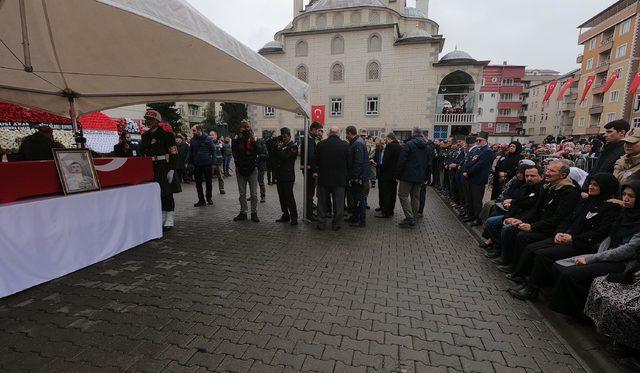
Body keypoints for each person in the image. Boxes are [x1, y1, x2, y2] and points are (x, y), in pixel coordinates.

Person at [508, 173, 621, 300]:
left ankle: (532, 289)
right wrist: (559, 233)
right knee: (533, 248)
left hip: (583, 245)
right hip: (568, 238)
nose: (590, 187)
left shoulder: (611, 208)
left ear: (605, 187)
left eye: (595, 185)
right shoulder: (587, 201)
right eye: (590, 183)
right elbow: (569, 219)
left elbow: (600, 233)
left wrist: (573, 239)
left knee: (543, 255)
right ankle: (526, 280)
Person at [550, 183, 640, 319]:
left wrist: (592, 258)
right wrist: (594, 256)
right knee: (560, 264)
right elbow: (609, 238)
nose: (625, 199)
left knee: (572, 273)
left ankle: (580, 314)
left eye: (631, 196)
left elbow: (627, 251)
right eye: (624, 194)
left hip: (623, 263)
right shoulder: (625, 215)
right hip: (606, 255)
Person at [495, 161, 581, 272]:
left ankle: (519, 270)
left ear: (563, 175)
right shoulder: (549, 188)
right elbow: (537, 210)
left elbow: (557, 219)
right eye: (547, 170)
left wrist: (532, 226)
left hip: (552, 230)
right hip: (541, 225)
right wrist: (521, 220)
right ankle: (510, 262)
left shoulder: (570, 192)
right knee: (512, 228)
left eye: (551, 171)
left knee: (522, 236)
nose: (547, 173)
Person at [483, 165, 545, 260]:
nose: (529, 178)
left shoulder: (542, 190)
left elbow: (534, 210)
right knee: (491, 222)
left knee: (507, 229)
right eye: (527, 175)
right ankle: (498, 247)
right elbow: (515, 203)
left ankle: (506, 257)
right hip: (515, 216)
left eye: (532, 176)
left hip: (526, 220)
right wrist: (507, 217)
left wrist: (519, 220)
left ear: (541, 176)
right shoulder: (525, 187)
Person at [139, 110, 181, 231]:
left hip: (164, 166)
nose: (148, 121)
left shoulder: (167, 135)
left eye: (151, 120)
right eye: (147, 119)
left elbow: (173, 153)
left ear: (157, 121)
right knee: (156, 192)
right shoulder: (145, 135)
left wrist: (172, 169)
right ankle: (162, 213)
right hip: (151, 166)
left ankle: (170, 215)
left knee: (167, 192)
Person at [314, 126, 350, 231]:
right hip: (339, 179)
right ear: (338, 133)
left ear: (329, 133)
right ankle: (337, 224)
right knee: (339, 204)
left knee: (322, 203)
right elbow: (349, 163)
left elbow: (316, 161)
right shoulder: (345, 145)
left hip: (324, 179)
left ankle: (321, 223)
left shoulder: (321, 144)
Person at [396, 127, 431, 228]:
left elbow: (402, 160)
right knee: (415, 197)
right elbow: (429, 163)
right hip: (420, 176)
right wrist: (427, 177)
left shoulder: (409, 144)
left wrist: (398, 175)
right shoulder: (427, 146)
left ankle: (409, 218)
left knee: (402, 195)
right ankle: (414, 216)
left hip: (407, 176)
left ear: (413, 133)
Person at [231, 120, 262, 223]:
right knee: (242, 193)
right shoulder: (237, 138)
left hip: (252, 169)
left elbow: (259, 151)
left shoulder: (254, 138)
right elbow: (233, 150)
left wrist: (253, 141)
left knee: (253, 194)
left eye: (247, 126)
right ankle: (243, 212)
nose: (246, 128)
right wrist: (238, 138)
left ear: (250, 127)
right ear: (241, 127)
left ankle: (254, 213)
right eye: (244, 127)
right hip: (240, 169)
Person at [462, 132, 494, 226]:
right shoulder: (478, 150)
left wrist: (468, 172)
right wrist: (467, 169)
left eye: (480, 140)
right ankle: (471, 215)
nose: (478, 142)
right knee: (470, 198)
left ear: (486, 141)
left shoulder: (487, 151)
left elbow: (479, 165)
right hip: (472, 178)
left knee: (477, 201)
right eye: (477, 140)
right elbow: (471, 162)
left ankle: (478, 219)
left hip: (478, 179)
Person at [273, 127, 299, 225]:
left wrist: (279, 148)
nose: (283, 139)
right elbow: (275, 156)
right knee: (282, 197)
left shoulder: (293, 146)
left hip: (288, 176)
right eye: (282, 137)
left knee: (289, 197)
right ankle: (285, 215)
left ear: (289, 136)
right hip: (280, 175)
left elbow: (284, 157)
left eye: (285, 137)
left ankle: (294, 217)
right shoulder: (282, 145)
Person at [346, 125, 369, 228]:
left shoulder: (358, 143)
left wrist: (355, 177)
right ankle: (355, 217)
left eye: (347, 134)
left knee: (360, 199)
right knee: (356, 199)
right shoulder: (357, 141)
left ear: (350, 133)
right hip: (358, 176)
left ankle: (361, 221)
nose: (346, 136)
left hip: (359, 178)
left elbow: (358, 163)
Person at [376, 133, 401, 218]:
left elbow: (386, 161)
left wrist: (379, 166)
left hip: (387, 174)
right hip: (395, 175)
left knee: (386, 193)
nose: (385, 141)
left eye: (386, 139)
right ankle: (391, 211)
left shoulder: (390, 147)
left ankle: (385, 212)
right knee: (393, 193)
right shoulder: (399, 147)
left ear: (389, 138)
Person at [301, 122, 322, 221]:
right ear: (313, 129)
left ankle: (308, 213)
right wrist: (314, 170)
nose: (319, 132)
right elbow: (311, 156)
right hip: (310, 170)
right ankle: (309, 214)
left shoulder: (310, 138)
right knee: (309, 193)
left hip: (309, 169)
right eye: (318, 130)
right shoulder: (309, 139)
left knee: (309, 192)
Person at [189, 125, 215, 207]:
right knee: (198, 183)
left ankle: (209, 198)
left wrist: (214, 162)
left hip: (207, 164)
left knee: (208, 182)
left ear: (199, 130)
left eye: (194, 130)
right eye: (192, 131)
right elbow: (190, 152)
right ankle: (201, 200)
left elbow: (213, 151)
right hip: (197, 164)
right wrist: (189, 162)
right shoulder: (193, 140)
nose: (193, 132)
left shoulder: (208, 138)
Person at [255, 136, 269, 203]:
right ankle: (253, 195)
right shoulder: (253, 144)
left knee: (261, 182)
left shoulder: (262, 145)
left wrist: (259, 156)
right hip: (255, 166)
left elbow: (266, 155)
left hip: (261, 166)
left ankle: (263, 196)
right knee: (253, 182)